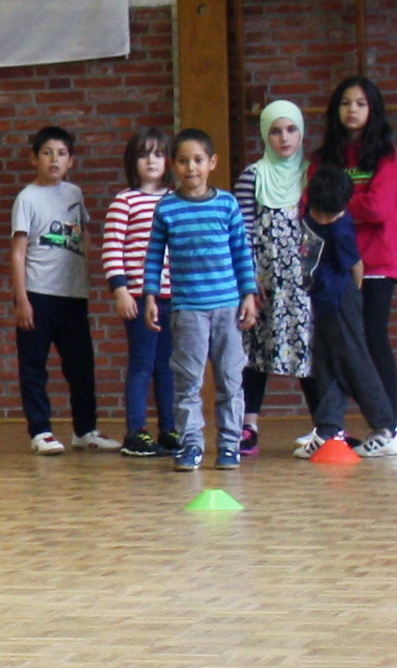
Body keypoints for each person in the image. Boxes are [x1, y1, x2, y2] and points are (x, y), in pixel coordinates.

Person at [144, 130, 259, 470]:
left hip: (228, 308)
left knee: (230, 380)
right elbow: (154, 256)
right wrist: (151, 295)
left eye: (197, 160)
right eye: (183, 161)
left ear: (212, 163)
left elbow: (242, 252)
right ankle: (191, 445)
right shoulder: (167, 208)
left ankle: (228, 445)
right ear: (173, 166)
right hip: (188, 311)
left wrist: (248, 295)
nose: (190, 167)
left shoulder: (227, 204)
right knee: (188, 382)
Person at [9, 126, 112, 455]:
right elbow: (18, 252)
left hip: (73, 295)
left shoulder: (75, 194)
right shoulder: (27, 198)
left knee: (81, 364)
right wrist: (22, 299)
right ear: (34, 158)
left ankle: (85, 430)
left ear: (71, 160)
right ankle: (40, 431)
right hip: (38, 293)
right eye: (47, 152)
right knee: (34, 364)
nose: (54, 159)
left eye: (62, 153)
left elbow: (84, 235)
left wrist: (89, 278)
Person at [317, 74, 397, 433]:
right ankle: (329, 427)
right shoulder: (327, 155)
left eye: (360, 104)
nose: (351, 110)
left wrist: (336, 206)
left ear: (373, 110)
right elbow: (313, 201)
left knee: (371, 338)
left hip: (378, 260)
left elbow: (379, 208)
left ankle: (389, 426)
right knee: (333, 343)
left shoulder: (385, 155)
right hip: (337, 261)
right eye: (344, 103)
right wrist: (348, 205)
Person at [298, 165, 397, 457]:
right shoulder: (310, 215)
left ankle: (387, 427)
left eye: (329, 215)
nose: (323, 219)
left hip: (341, 301)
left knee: (356, 363)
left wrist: (352, 300)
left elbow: (356, 267)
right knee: (326, 364)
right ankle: (328, 429)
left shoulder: (341, 228)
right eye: (319, 212)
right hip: (321, 303)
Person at [232, 100, 313, 456]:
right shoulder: (253, 176)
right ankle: (248, 426)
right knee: (255, 354)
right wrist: (249, 281)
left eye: (291, 129)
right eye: (276, 131)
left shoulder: (312, 173)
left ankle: (325, 427)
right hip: (264, 283)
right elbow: (243, 232)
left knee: (310, 353)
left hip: (306, 284)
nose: (284, 138)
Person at [99, 127, 177, 459]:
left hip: (173, 297)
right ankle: (136, 431)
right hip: (140, 296)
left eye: (158, 153)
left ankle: (170, 429)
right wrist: (120, 292)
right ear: (133, 161)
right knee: (142, 363)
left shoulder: (175, 200)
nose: (151, 160)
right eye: (144, 154)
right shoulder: (125, 200)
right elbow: (112, 248)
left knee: (168, 365)